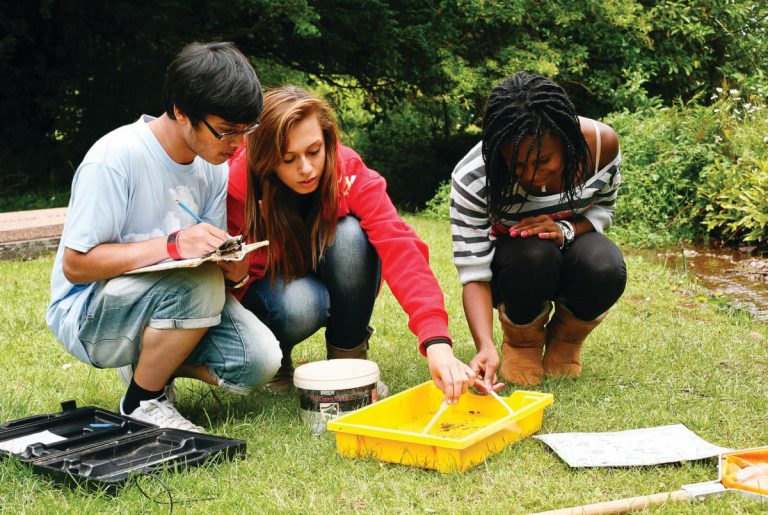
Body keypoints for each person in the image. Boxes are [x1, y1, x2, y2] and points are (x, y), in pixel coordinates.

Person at [46, 42, 282, 432]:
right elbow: (76, 266)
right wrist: (172, 246)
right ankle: (143, 401)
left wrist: (233, 269)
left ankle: (148, 365)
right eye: (226, 132)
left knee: (258, 361)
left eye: (246, 131)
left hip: (173, 299)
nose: (237, 145)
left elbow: (205, 258)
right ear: (180, 111)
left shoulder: (212, 168)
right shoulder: (115, 159)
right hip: (89, 314)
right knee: (197, 283)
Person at [225, 86, 475, 403]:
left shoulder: (349, 171)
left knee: (352, 237)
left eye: (314, 151)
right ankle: (277, 358)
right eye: (288, 159)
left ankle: (349, 358)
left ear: (328, 141)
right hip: (271, 290)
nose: (306, 168)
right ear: (266, 160)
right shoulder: (238, 183)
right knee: (303, 304)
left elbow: (400, 249)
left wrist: (437, 342)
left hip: (322, 265)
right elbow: (229, 280)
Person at [451, 71, 627, 387]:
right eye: (517, 166)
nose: (533, 175)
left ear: (565, 137)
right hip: (517, 270)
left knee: (605, 265)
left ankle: (566, 340)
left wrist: (567, 230)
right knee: (533, 252)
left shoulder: (601, 147)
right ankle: (522, 342)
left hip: (573, 253)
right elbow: (474, 273)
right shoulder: (474, 177)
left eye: (544, 160)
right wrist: (485, 346)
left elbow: (604, 209)